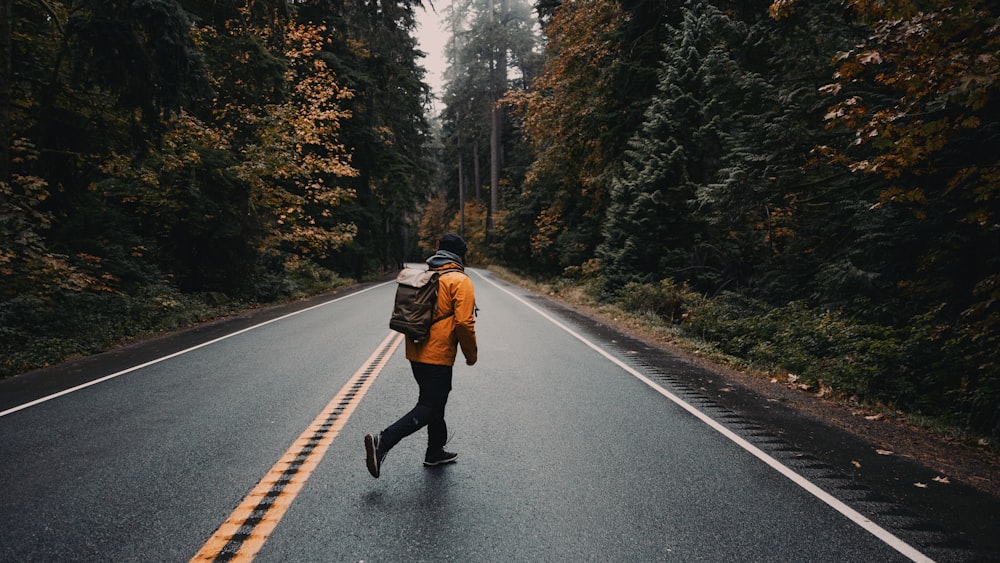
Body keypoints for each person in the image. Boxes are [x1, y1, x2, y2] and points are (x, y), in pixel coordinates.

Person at [365, 233, 478, 478]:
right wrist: (471, 354)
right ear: (460, 255)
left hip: (415, 351)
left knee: (435, 401)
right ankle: (383, 441)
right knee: (429, 405)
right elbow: (464, 323)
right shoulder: (460, 280)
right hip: (438, 354)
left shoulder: (428, 276)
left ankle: (434, 451)